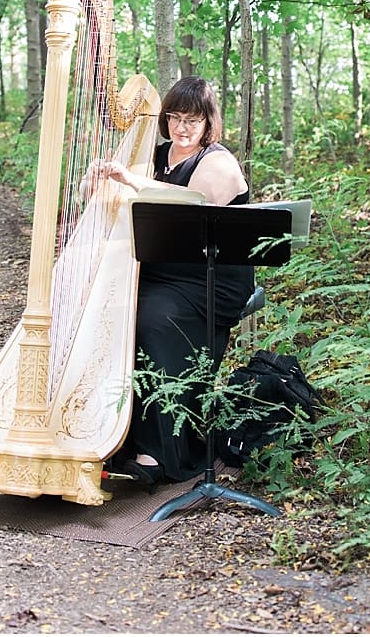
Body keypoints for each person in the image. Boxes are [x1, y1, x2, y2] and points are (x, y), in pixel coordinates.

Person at [93, 75, 255, 485]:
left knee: (149, 319)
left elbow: (183, 206)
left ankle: (159, 452)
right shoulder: (155, 155)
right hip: (162, 269)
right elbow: (104, 197)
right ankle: (109, 434)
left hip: (208, 279)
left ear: (208, 123)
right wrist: (96, 181)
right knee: (107, 309)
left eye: (193, 120)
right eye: (175, 117)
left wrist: (130, 180)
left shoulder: (217, 163)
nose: (182, 128)